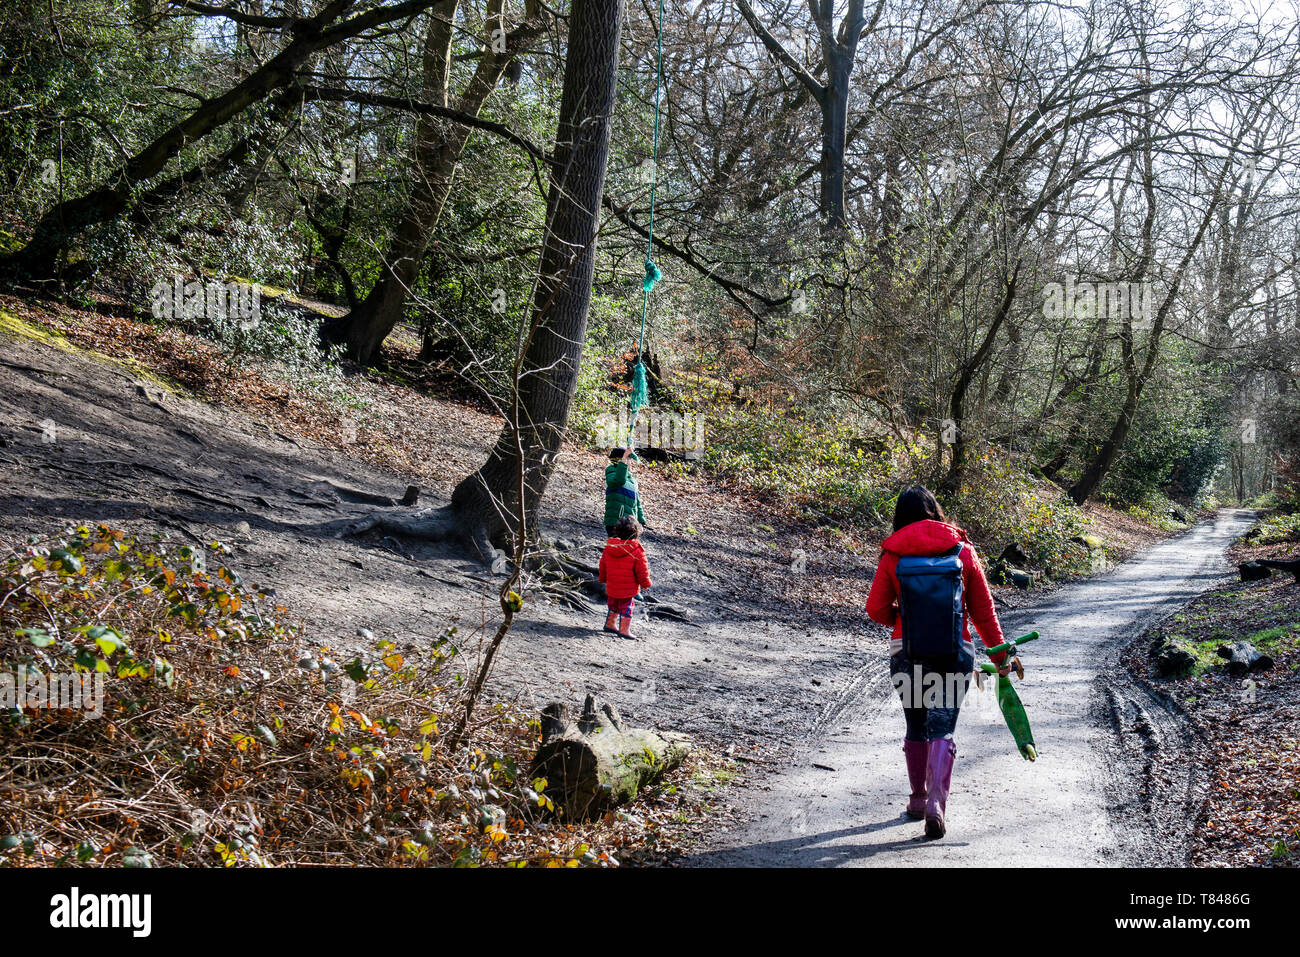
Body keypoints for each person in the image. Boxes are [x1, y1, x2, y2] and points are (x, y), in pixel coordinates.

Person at [865, 485, 1010, 839]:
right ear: (936, 511)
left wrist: (903, 619)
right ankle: (937, 806)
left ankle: (918, 799)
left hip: (907, 651)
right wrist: (1001, 654)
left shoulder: (892, 554)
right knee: (942, 727)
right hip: (953, 650)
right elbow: (982, 613)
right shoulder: (963, 552)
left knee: (916, 725)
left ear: (900, 516)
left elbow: (874, 609)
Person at [598, 516, 652, 639]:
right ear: (636, 533)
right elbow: (642, 570)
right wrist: (646, 583)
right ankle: (624, 629)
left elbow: (603, 565)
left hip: (612, 585)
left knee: (613, 604)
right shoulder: (637, 550)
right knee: (627, 606)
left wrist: (602, 578)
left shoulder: (610, 547)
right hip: (628, 588)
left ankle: (610, 624)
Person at [604, 447, 647, 537]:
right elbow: (618, 481)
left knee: (629, 549)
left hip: (630, 524)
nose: (630, 463)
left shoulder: (632, 480)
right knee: (616, 548)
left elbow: (637, 502)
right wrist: (624, 460)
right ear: (620, 461)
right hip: (616, 522)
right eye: (628, 460)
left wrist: (640, 521)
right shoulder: (612, 472)